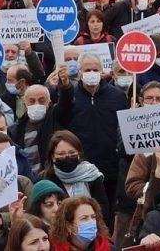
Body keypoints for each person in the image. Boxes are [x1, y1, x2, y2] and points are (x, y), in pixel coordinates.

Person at [57, 53, 128, 214]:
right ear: (80, 72)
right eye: (87, 69)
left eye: (95, 69)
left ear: (102, 71)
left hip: (111, 167)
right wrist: (65, 88)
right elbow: (61, 117)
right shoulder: (71, 95)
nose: (91, 72)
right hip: (82, 168)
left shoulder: (116, 96)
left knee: (108, 211)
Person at [39, 130, 111, 227]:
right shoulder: (45, 179)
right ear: (53, 156)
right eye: (61, 154)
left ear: (79, 154)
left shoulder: (92, 175)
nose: (67, 157)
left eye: (72, 153)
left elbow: (103, 210)